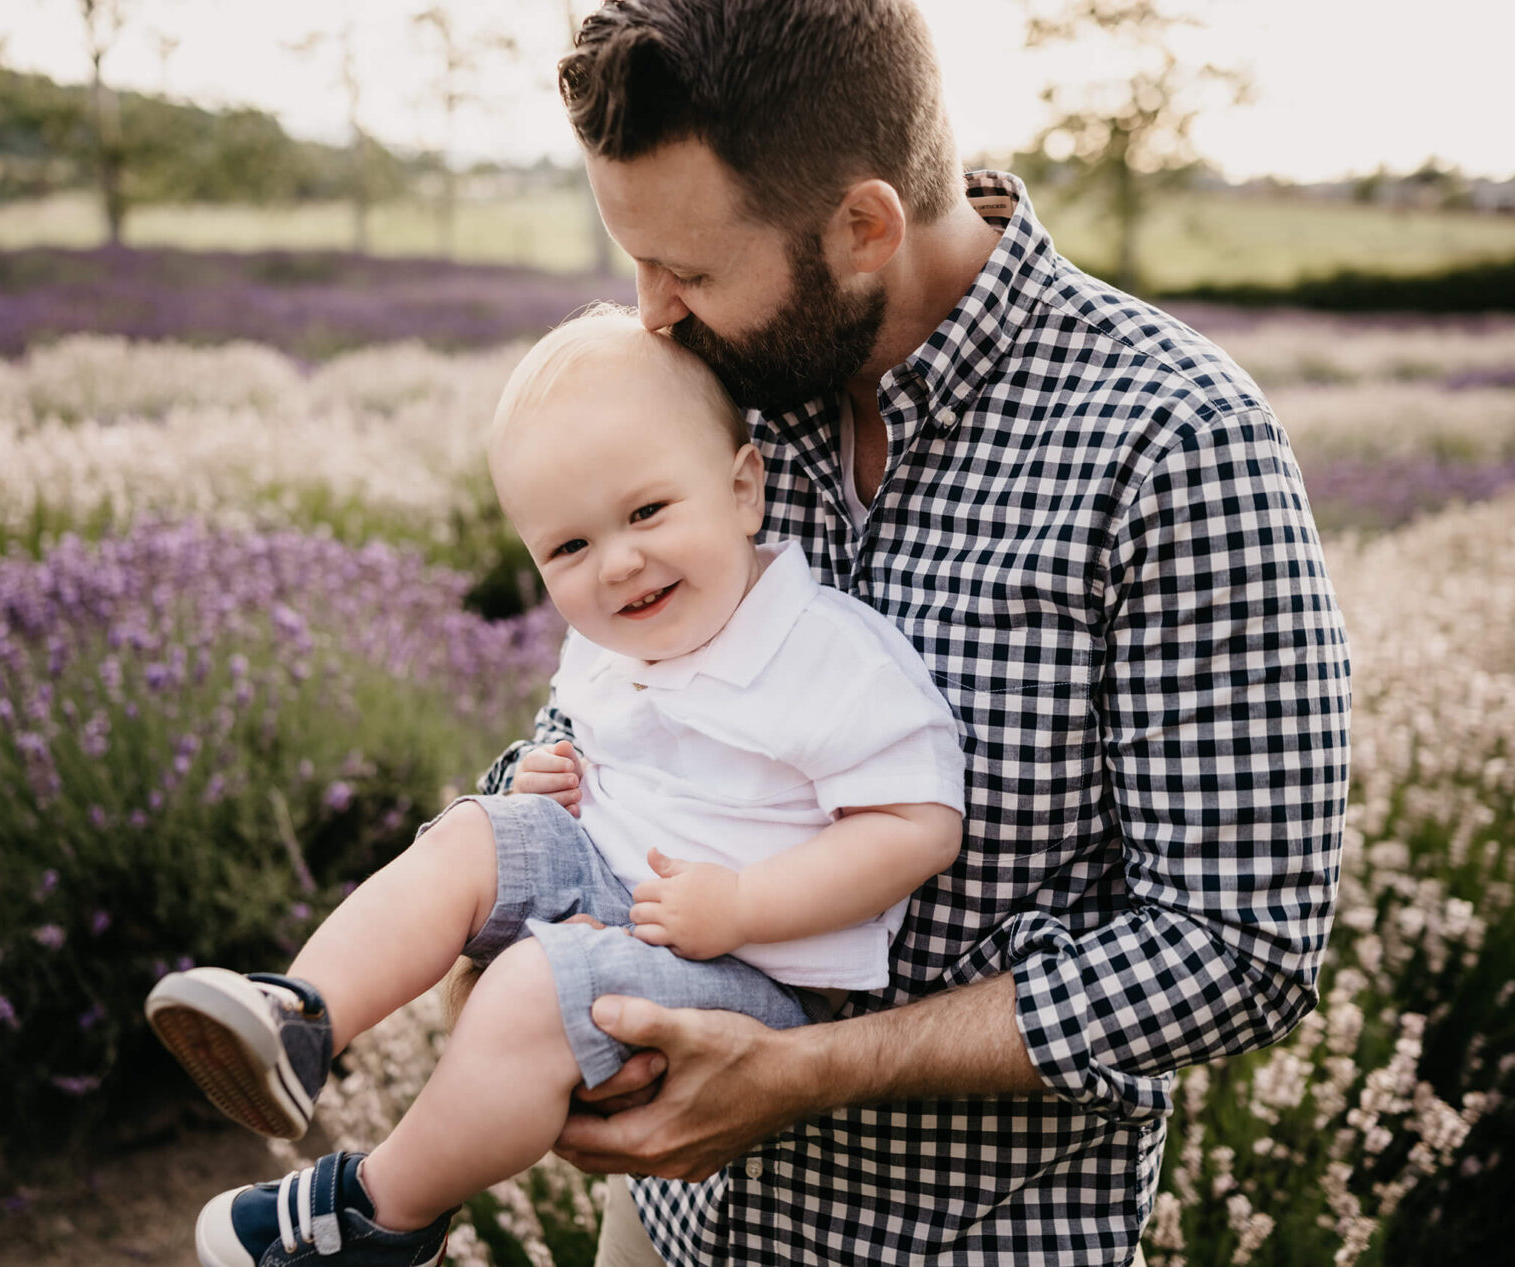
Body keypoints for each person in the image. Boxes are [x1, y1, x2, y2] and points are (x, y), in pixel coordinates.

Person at [471, 2, 1354, 1264]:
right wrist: (501, 888)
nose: (652, 314)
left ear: (864, 228)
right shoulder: (715, 386)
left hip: (952, 1240)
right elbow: (597, 716)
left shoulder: (1173, 442)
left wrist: (808, 1070)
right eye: (638, 261)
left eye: (692, 270)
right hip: (663, 1224)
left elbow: (1234, 947)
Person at [144, 307, 969, 1266]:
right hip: (620, 887)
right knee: (473, 833)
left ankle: (378, 1214)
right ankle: (301, 1016)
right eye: (568, 549)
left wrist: (744, 904)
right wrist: (551, 777)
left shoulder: (826, 655)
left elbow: (917, 824)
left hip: (757, 975)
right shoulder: (610, 649)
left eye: (648, 512)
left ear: (744, 489)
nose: (617, 563)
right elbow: (600, 754)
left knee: (538, 985)